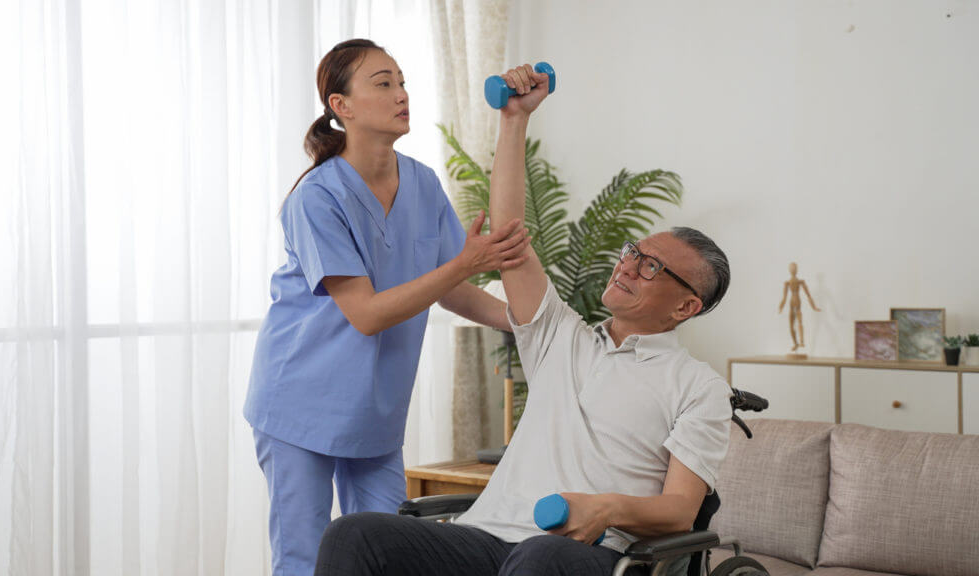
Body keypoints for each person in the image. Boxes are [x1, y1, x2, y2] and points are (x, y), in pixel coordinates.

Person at [314, 64, 734, 576]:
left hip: (589, 551)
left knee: (540, 555)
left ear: (686, 306)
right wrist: (513, 121)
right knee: (354, 533)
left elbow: (680, 511)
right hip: (486, 539)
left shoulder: (697, 385)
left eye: (651, 267)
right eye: (632, 252)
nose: (626, 266)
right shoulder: (561, 335)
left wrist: (606, 508)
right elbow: (509, 234)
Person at [243, 39, 531, 576]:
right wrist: (463, 264)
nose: (401, 94)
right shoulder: (317, 198)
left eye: (402, 82)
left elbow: (448, 287)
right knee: (305, 560)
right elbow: (368, 312)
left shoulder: (421, 182)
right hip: (300, 402)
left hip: (375, 410)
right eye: (383, 83)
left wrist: (524, 323)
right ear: (341, 105)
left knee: (387, 557)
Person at [778, 262, 821, 353]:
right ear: (789, 270)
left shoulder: (801, 282)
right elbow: (784, 297)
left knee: (800, 321)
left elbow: (808, 295)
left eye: (794, 268)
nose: (793, 270)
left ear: (797, 270)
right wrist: (780, 307)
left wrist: (814, 307)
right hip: (791, 303)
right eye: (791, 269)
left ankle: (801, 341)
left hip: (797, 302)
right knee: (791, 326)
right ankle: (795, 343)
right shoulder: (787, 283)